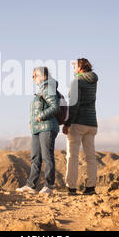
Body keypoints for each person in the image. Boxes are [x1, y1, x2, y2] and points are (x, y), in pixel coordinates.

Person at [16, 66, 60, 195]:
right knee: (35, 157)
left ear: (42, 76)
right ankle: (31, 185)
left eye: (34, 75)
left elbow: (55, 107)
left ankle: (49, 186)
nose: (33, 78)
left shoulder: (48, 88)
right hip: (37, 129)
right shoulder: (42, 89)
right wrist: (32, 123)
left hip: (47, 127)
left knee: (47, 157)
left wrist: (41, 116)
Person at [63, 58, 98, 195]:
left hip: (78, 123)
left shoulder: (77, 81)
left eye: (74, 68)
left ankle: (71, 187)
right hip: (92, 123)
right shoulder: (93, 81)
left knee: (72, 156)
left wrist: (67, 123)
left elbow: (74, 105)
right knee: (90, 156)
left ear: (80, 68)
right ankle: (91, 187)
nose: (73, 71)